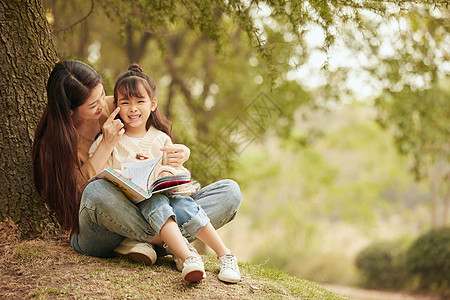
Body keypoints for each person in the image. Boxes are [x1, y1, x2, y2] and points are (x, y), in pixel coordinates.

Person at [31, 60, 241, 282]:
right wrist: (106, 145)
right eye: (93, 105)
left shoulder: (120, 105)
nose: (104, 105)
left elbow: (153, 135)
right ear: (70, 111)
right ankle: (176, 243)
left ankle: (150, 243)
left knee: (230, 192)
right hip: (103, 224)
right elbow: (84, 197)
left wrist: (180, 155)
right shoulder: (53, 144)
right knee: (98, 191)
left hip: (150, 206)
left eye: (103, 94)